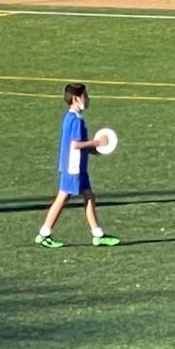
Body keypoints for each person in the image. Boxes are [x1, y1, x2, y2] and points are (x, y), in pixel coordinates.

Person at [34, 84, 120, 249]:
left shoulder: (72, 118)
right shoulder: (75, 120)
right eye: (85, 96)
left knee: (88, 196)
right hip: (73, 168)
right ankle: (44, 233)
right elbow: (75, 145)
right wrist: (97, 142)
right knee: (63, 198)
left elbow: (78, 145)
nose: (88, 99)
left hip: (77, 167)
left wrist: (95, 150)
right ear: (76, 99)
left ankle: (98, 234)